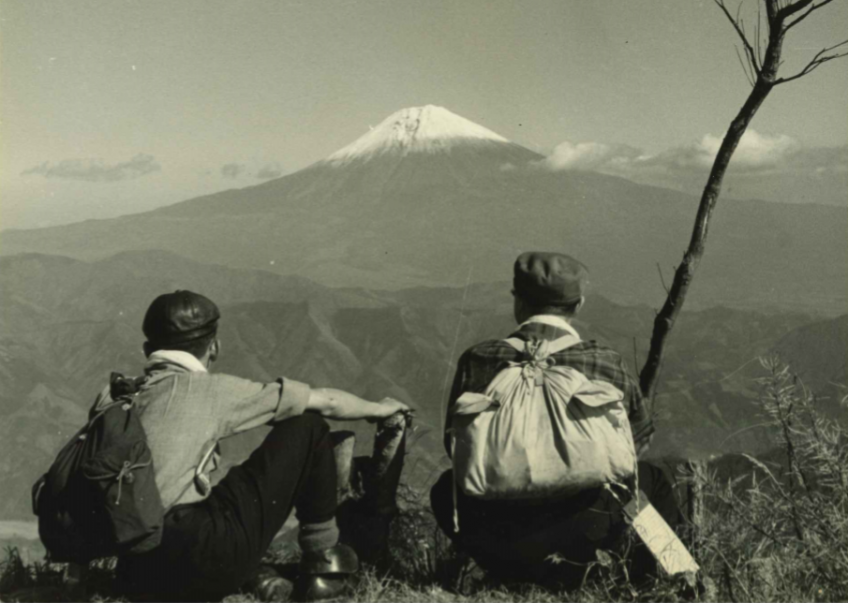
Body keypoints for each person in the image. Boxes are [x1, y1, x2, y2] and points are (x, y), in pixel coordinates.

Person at [112, 290, 409, 602]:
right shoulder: (213, 390)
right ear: (214, 347)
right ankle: (325, 572)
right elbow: (328, 402)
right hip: (203, 560)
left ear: (148, 348)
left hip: (137, 570)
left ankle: (258, 575)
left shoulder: (117, 396)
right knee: (307, 427)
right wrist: (379, 409)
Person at [430, 251, 682, 588]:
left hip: (499, 533)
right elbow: (635, 443)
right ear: (578, 305)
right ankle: (673, 579)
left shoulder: (479, 358)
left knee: (445, 488)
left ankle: (514, 575)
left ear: (517, 301)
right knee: (654, 479)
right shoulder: (604, 361)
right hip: (588, 531)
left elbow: (455, 444)